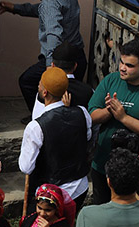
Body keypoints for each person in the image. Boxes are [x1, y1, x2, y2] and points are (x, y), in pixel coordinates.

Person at [88, 38, 139, 205]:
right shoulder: (111, 80)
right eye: (121, 62)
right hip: (103, 164)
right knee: (101, 210)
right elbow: (92, 117)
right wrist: (108, 111)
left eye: (129, 65)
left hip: (136, 171)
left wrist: (123, 117)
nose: (122, 68)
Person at [19, 67, 92, 210]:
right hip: (79, 188)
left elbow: (26, 167)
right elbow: (86, 137)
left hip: (51, 195)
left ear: (44, 92)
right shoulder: (82, 113)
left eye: (40, 84)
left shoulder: (36, 126)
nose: (38, 86)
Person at [0, 0, 87, 115]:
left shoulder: (50, 3)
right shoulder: (52, 4)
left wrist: (50, 66)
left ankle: (41, 118)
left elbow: (53, 34)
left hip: (59, 59)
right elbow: (44, 10)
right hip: (77, 56)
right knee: (72, 97)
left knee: (27, 81)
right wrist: (16, 8)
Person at [31, 41, 94, 120]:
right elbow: (92, 122)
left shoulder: (46, 89)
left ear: (53, 65)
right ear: (75, 66)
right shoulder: (88, 91)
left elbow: (36, 119)